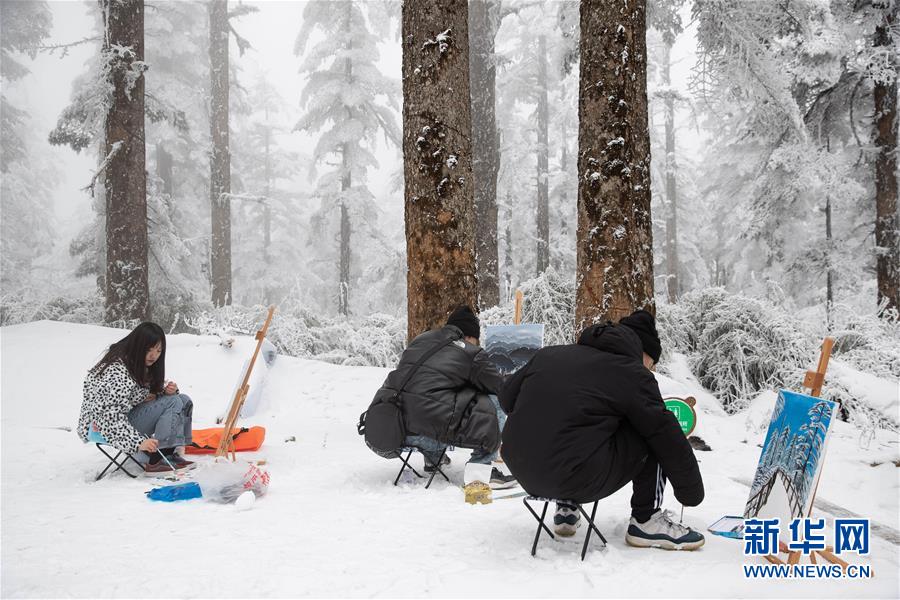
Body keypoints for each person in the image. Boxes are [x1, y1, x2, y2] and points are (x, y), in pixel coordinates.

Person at [499, 310, 705, 550]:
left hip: (521, 469)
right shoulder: (631, 372)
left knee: (581, 423)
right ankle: (646, 520)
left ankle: (567, 506)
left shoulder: (549, 355)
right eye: (652, 362)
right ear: (643, 353)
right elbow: (665, 433)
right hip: (575, 476)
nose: (652, 368)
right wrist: (690, 493)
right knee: (650, 428)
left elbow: (506, 399)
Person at [372, 305, 516, 492]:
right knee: (492, 401)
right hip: (429, 434)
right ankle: (481, 473)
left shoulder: (420, 340)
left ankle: (433, 460)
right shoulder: (470, 352)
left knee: (433, 397)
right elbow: (499, 386)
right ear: (470, 336)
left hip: (397, 429)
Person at [77, 322, 194, 475]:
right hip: (101, 428)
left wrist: (165, 390)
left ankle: (170, 452)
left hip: (125, 419)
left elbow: (139, 392)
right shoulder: (116, 371)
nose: (154, 355)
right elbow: (108, 417)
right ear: (138, 346)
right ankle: (158, 458)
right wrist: (138, 442)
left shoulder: (135, 362)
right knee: (173, 401)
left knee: (182, 399)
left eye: (158, 350)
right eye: (149, 350)